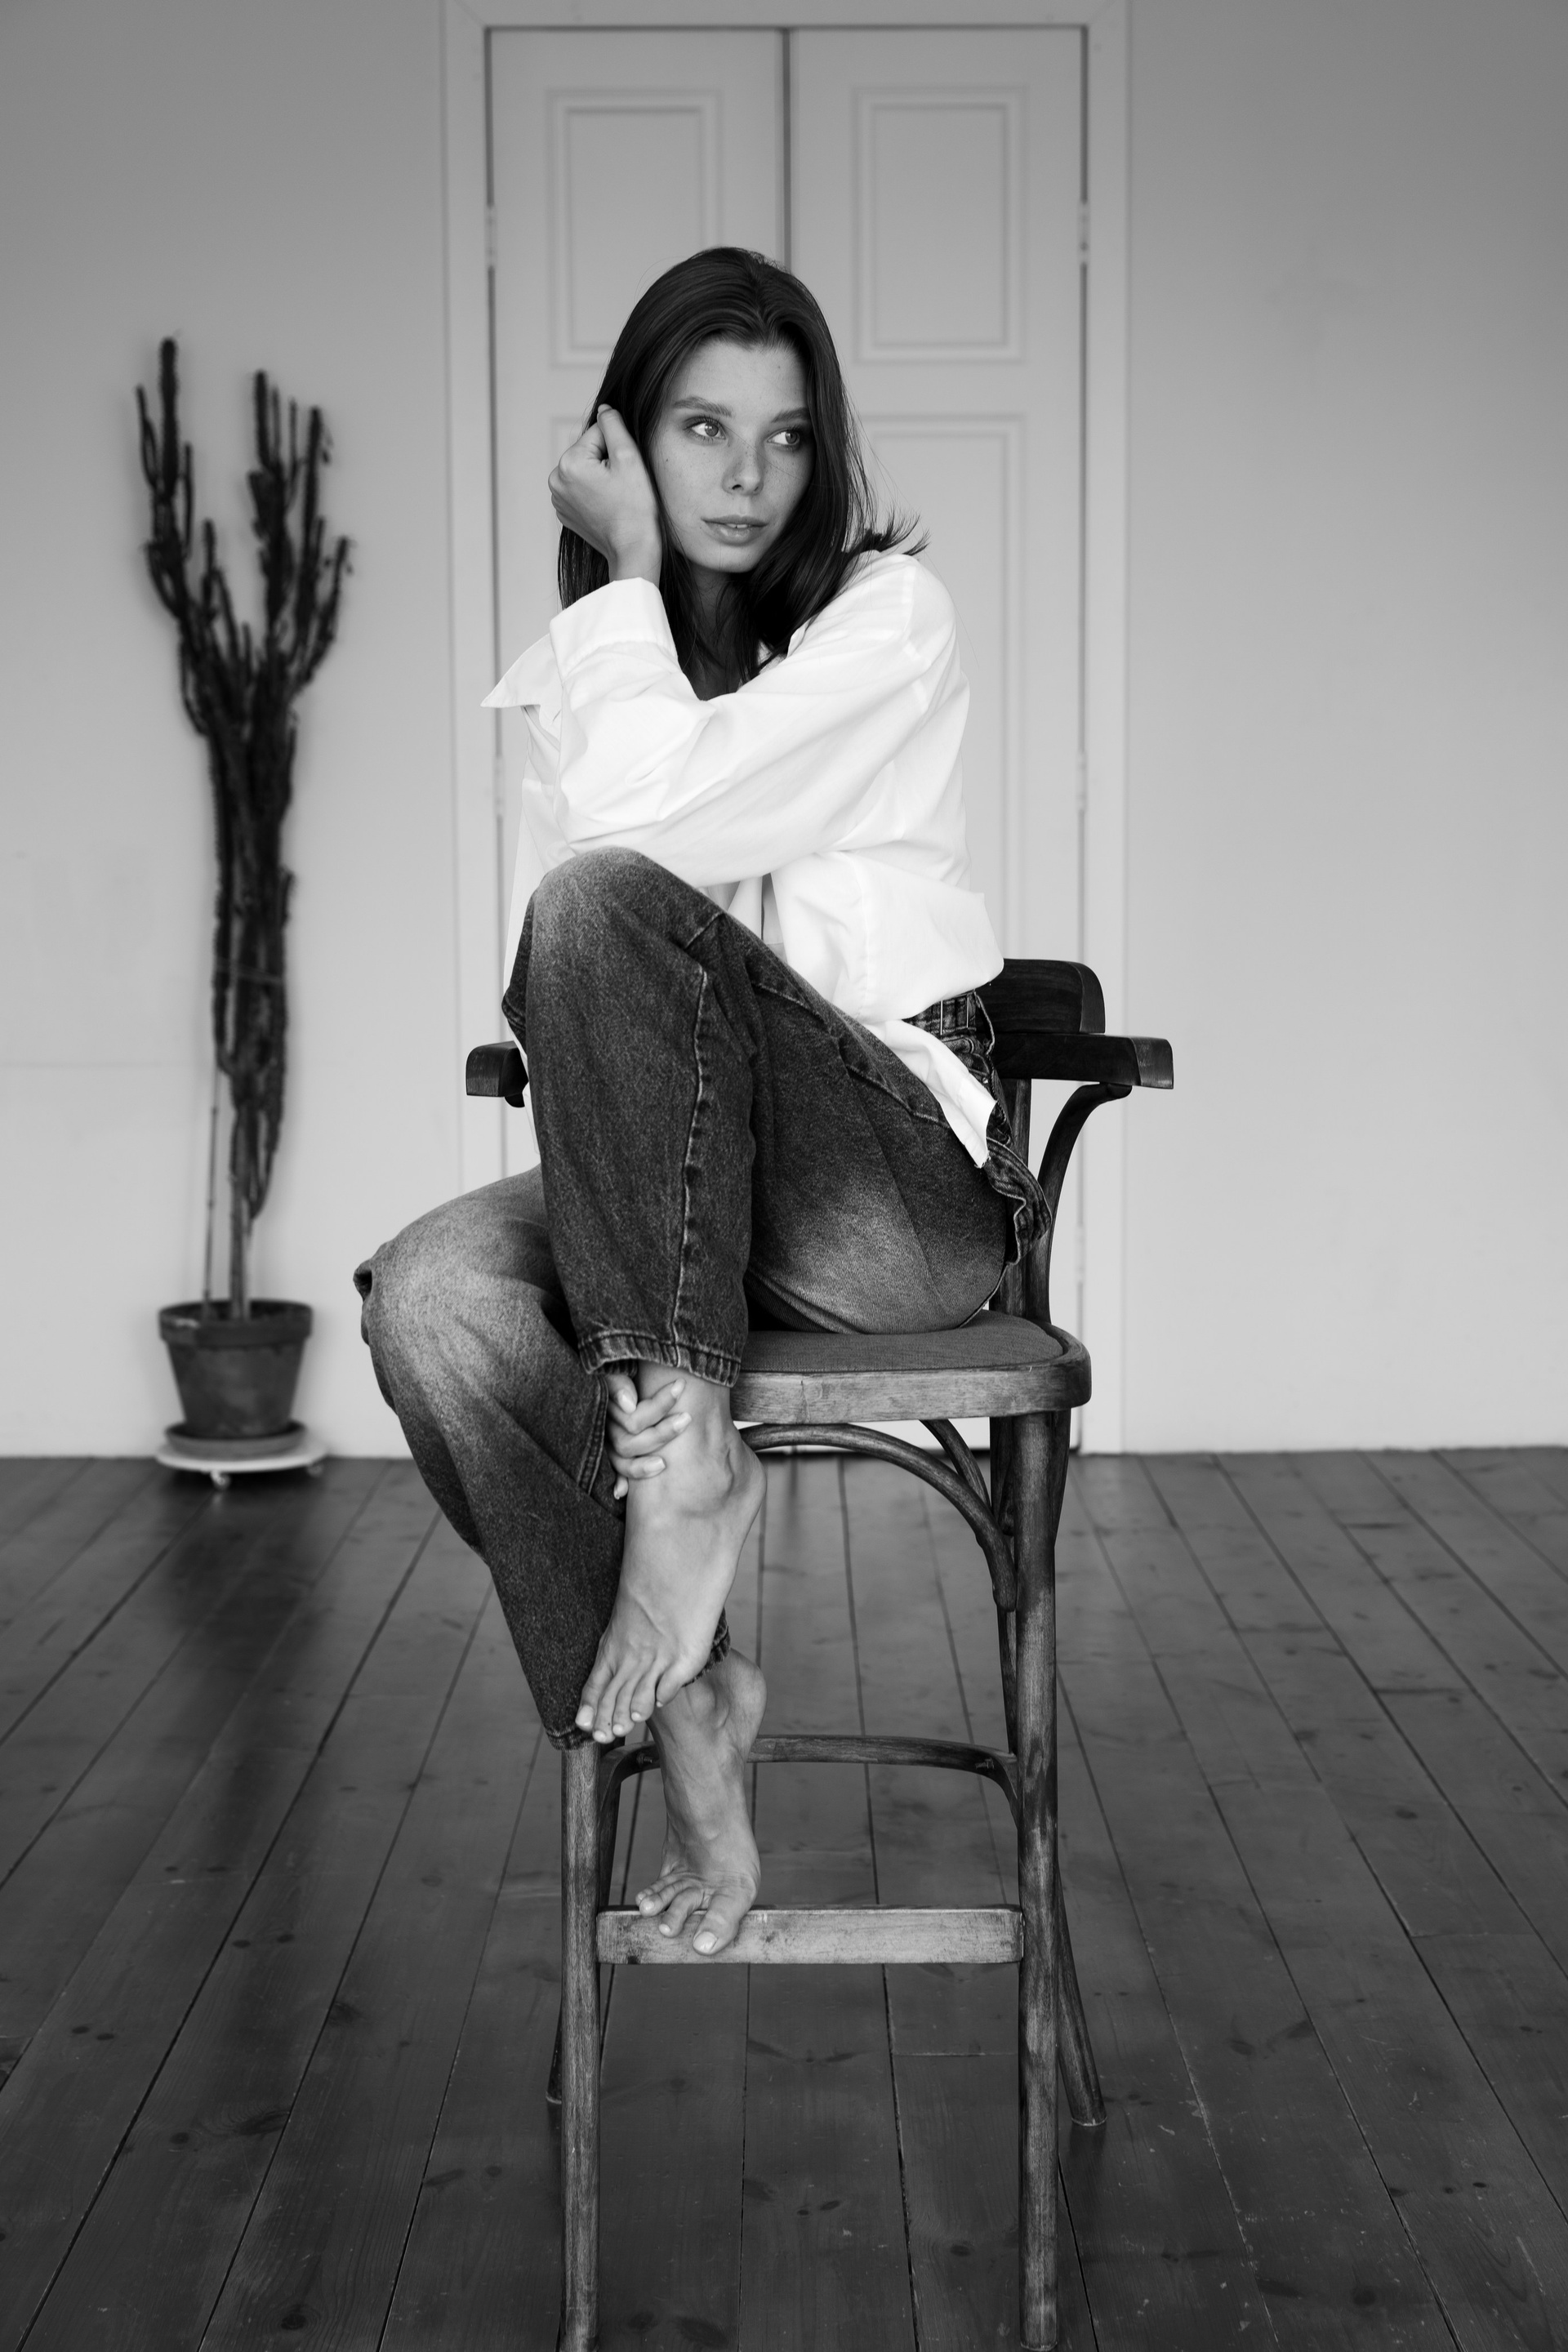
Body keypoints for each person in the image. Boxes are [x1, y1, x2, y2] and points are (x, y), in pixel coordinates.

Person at [355, 247, 1042, 1959]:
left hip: (881, 1206)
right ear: (626, 440)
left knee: (597, 896)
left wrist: (626, 583)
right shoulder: (591, 684)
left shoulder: (887, 619)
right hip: (688, 1219)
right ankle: (695, 1702)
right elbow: (583, 990)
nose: (748, 477)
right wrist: (631, 610)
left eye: (787, 436)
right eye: (701, 428)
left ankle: (684, 1485)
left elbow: (632, 845)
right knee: (429, 1302)